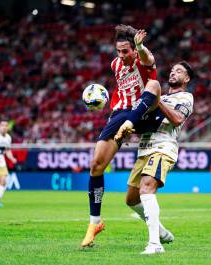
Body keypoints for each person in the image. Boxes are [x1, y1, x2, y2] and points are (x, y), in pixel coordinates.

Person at [81, 24, 161, 247]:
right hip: (121, 114)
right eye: (119, 51)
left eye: (126, 51)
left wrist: (140, 46)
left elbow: (146, 57)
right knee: (96, 165)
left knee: (154, 84)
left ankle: (130, 122)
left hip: (146, 112)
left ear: (134, 50)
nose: (122, 55)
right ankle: (94, 223)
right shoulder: (115, 64)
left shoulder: (142, 58)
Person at [124, 61, 194, 254]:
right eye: (172, 70)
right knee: (131, 199)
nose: (173, 73)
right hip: (144, 149)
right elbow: (148, 122)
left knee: (147, 188)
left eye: (178, 71)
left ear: (186, 78)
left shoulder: (185, 97)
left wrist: (157, 100)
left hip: (163, 147)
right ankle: (162, 232)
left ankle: (155, 245)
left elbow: (177, 119)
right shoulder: (157, 96)